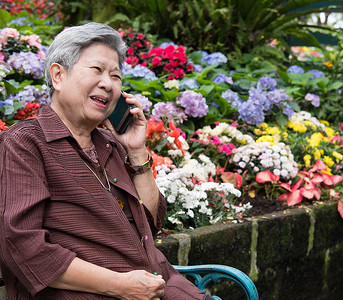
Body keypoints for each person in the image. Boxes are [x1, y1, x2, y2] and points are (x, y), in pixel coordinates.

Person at [0, 22, 213, 300]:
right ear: (58, 76)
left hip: (163, 289)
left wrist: (137, 151)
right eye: (97, 70)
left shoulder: (109, 144)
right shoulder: (26, 143)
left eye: (116, 76)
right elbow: (22, 245)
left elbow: (147, 224)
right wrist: (120, 285)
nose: (108, 83)